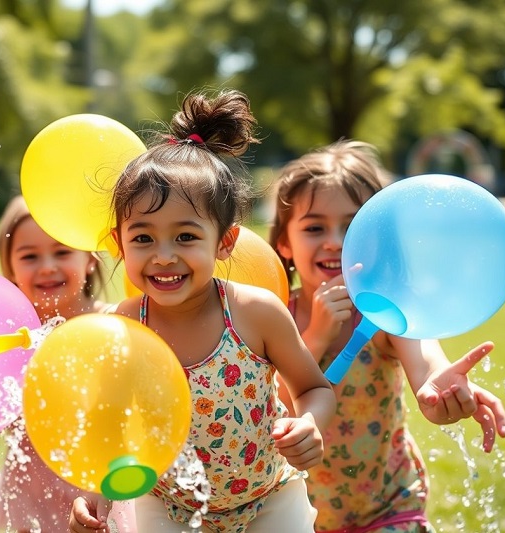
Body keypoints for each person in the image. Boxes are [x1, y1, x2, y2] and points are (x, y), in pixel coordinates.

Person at [71, 89, 337, 532]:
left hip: (269, 497)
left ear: (225, 242)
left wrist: (310, 423)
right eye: (143, 238)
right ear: (119, 244)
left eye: (186, 237)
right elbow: (113, 424)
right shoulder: (124, 327)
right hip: (167, 504)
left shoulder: (255, 314)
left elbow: (315, 388)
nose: (163, 256)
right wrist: (96, 492)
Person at [267, 139, 505, 532]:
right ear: (284, 244)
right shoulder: (275, 317)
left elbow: (426, 362)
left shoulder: (388, 314)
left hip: (389, 506)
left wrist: (440, 389)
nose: (334, 240)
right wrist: (314, 337)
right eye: (314, 228)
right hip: (301, 516)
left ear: (379, 238)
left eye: (352, 225)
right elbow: (266, 409)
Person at [0, 194, 136, 532]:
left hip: (103, 496)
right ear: (11, 269)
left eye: (61, 252)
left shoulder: (117, 326)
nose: (47, 266)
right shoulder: (9, 343)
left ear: (90, 259)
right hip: (29, 500)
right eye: (30, 256)